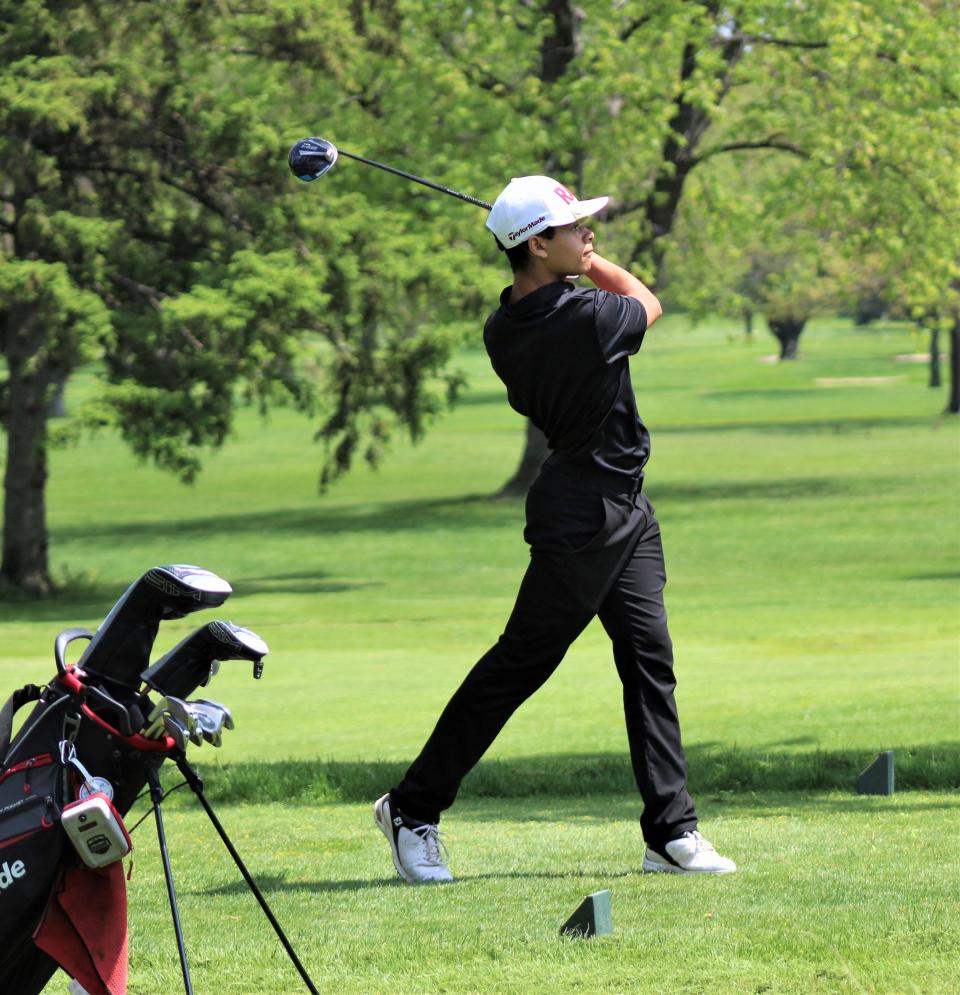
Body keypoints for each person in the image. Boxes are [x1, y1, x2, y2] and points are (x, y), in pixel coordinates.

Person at [374, 175, 735, 883]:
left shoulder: (503, 324)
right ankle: (412, 808)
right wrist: (588, 263)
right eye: (576, 229)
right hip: (585, 516)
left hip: (619, 508)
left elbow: (557, 284)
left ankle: (670, 831)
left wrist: (560, 247)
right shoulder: (587, 318)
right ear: (537, 244)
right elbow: (648, 302)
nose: (590, 237)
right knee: (520, 664)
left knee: (648, 662)